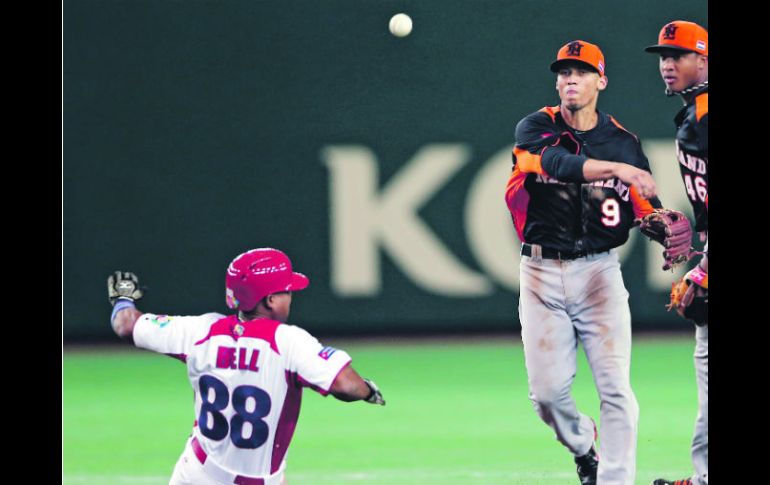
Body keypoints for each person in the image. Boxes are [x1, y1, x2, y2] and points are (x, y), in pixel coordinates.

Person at [504, 40, 665, 485]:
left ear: (601, 81)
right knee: (548, 398)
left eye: (580, 71)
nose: (569, 79)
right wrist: (621, 169)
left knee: (615, 389)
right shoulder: (536, 127)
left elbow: (644, 206)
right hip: (539, 273)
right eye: (563, 72)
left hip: (599, 273)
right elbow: (557, 162)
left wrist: (662, 224)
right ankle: (581, 444)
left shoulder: (623, 142)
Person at [107, 247, 385, 485]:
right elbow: (347, 385)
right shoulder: (288, 341)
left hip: (195, 472)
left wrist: (123, 298)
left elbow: (126, 324)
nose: (291, 295)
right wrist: (369, 391)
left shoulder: (200, 330)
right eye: (287, 290)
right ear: (271, 300)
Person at [644, 20, 708, 485]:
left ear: (703, 61)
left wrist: (705, 271)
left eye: (678, 56)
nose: (668, 65)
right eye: (664, 57)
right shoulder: (695, 112)